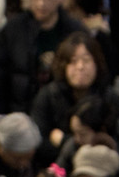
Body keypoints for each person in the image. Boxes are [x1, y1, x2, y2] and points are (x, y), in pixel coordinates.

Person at [0, 0, 84, 116]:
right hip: (20, 114)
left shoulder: (75, 31)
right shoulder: (12, 30)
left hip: (65, 114)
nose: (41, 3)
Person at [27, 33, 113, 162]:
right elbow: (39, 143)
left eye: (86, 60)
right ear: (63, 66)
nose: (80, 67)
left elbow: (115, 143)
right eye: (73, 61)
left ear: (97, 63)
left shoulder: (110, 97)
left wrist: (63, 140)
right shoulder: (47, 96)